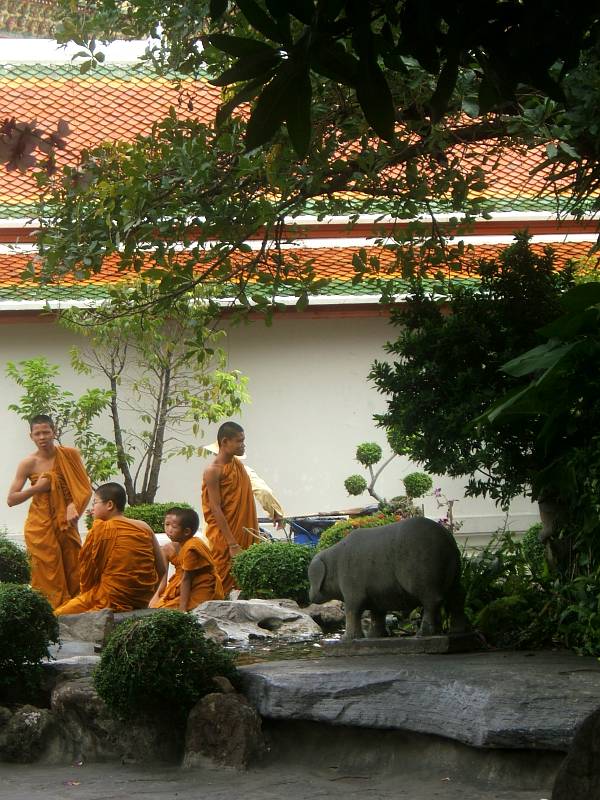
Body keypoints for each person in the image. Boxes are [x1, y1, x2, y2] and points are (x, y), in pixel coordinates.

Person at [7, 415, 92, 609]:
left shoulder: (70, 455)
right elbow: (11, 499)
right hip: (39, 524)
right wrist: (37, 488)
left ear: (54, 432)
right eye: (37, 433)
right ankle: (50, 611)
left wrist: (73, 505)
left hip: (66, 521)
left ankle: (74, 608)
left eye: (46, 432)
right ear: (31, 436)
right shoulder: (28, 463)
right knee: (47, 568)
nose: (42, 437)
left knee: (74, 565)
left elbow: (83, 488)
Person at [55, 482, 166, 616]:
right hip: (140, 600)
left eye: (95, 503)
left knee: (58, 615)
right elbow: (161, 569)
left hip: (108, 598)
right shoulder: (143, 527)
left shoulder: (101, 529)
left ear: (109, 505)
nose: (92, 509)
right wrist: (144, 597)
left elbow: (88, 571)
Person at [202, 421, 258, 595]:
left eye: (243, 440)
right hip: (226, 537)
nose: (243, 445)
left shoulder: (237, 465)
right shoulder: (213, 471)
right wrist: (232, 543)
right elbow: (215, 508)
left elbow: (245, 500)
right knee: (221, 580)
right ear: (225, 442)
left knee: (245, 580)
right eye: (239, 441)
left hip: (244, 531)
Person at [149, 506, 224, 611]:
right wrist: (156, 596)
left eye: (174, 527)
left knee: (170, 610)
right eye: (167, 524)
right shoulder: (166, 549)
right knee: (159, 606)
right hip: (178, 586)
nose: (169, 530)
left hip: (201, 586)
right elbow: (162, 576)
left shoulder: (192, 547)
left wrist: (182, 609)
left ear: (187, 531)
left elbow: (186, 579)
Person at [201, 441, 285, 526]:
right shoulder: (245, 472)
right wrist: (275, 512)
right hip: (236, 525)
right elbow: (264, 492)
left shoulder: (212, 472)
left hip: (214, 526)